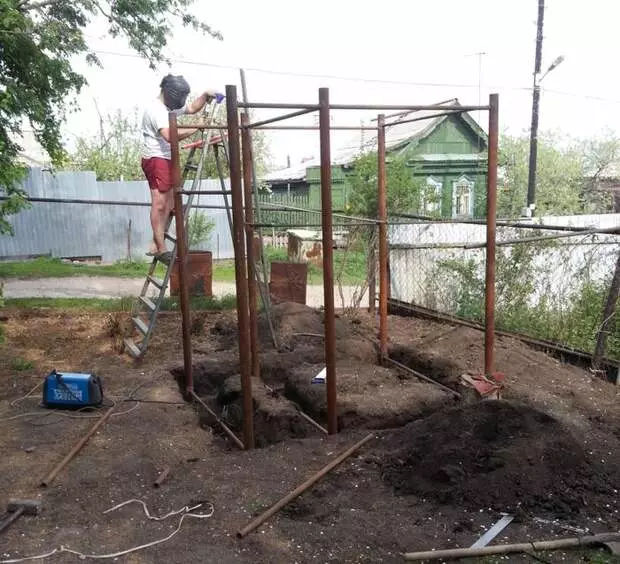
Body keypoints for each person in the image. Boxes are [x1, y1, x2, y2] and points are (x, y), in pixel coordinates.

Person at [141, 74, 218, 263]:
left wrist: (205, 94)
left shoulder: (170, 106)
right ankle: (161, 248)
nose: (180, 103)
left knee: (170, 204)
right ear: (169, 93)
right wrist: (198, 127)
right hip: (156, 158)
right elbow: (169, 135)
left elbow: (191, 108)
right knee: (159, 204)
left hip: (167, 158)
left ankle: (155, 243)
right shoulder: (156, 110)